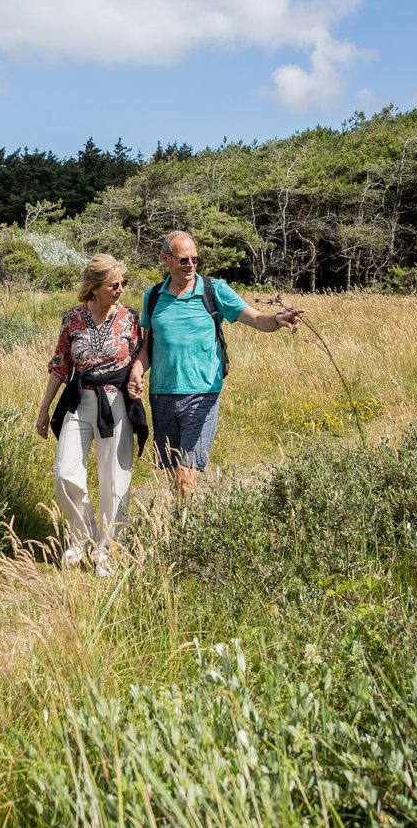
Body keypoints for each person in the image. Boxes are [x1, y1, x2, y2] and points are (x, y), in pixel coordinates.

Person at [127, 231, 302, 500]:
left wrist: (279, 319)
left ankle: (185, 533)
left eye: (195, 259)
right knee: (174, 471)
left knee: (187, 471)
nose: (191, 265)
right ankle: (181, 526)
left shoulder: (214, 290)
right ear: (166, 259)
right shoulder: (153, 296)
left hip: (202, 393)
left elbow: (256, 319)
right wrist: (137, 371)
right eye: (184, 260)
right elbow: (148, 349)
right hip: (161, 394)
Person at [36, 254, 148, 575]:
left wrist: (138, 380)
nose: (121, 289)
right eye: (114, 284)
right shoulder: (72, 318)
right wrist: (44, 408)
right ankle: (80, 537)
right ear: (94, 287)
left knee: (115, 478)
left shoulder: (130, 318)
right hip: (79, 401)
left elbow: (140, 359)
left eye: (123, 283)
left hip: (116, 404)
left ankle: (107, 551)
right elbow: (60, 364)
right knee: (64, 472)